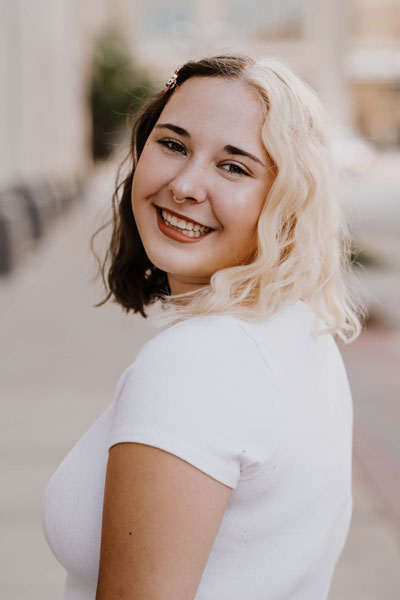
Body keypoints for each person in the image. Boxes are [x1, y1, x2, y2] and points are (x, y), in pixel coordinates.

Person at [42, 54, 367, 600]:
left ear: (287, 204)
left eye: (234, 167)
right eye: (173, 144)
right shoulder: (301, 329)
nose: (186, 185)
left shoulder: (196, 363)